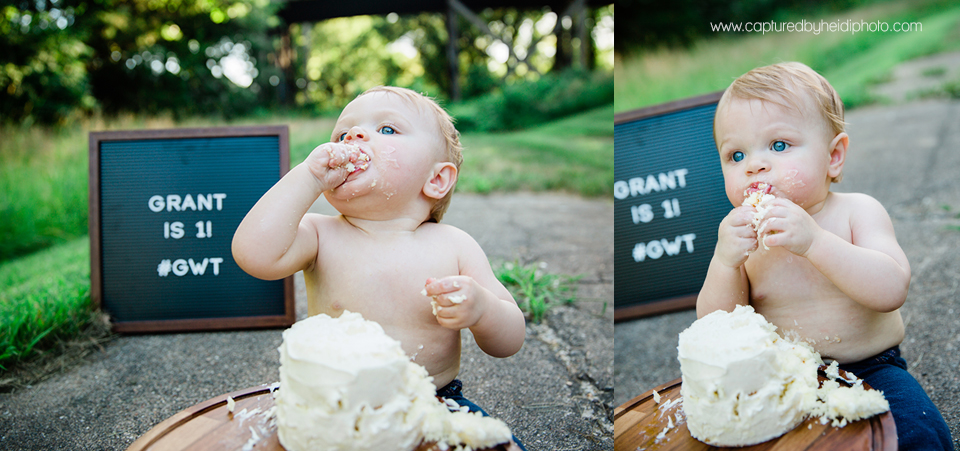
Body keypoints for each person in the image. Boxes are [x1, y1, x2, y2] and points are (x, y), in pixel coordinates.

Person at [232, 86, 527, 450]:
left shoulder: (455, 245)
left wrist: (481, 309)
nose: (354, 136)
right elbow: (253, 254)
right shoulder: (320, 235)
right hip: (331, 407)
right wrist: (308, 176)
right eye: (343, 133)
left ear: (436, 179)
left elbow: (510, 340)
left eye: (387, 129)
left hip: (433, 404)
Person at [698, 62, 953, 450]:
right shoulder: (745, 239)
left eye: (778, 145)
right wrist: (725, 262)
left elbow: (891, 289)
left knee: (918, 434)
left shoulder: (857, 212)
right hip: (778, 379)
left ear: (834, 157)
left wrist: (814, 241)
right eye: (735, 156)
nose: (754, 165)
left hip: (871, 369)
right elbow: (717, 327)